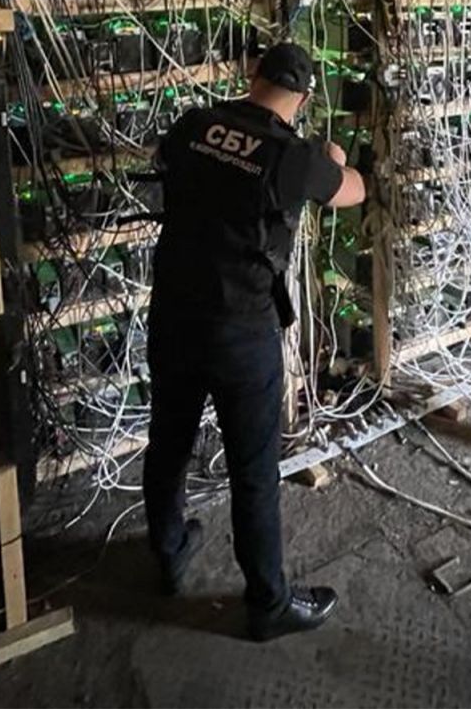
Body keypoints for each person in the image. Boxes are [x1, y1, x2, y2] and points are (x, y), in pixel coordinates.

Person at [141, 41, 366, 641]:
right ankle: (267, 603)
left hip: (174, 314)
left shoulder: (194, 124)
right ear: (304, 99)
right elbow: (354, 190)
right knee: (253, 470)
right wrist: (335, 159)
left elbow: (165, 161)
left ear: (252, 75)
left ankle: (168, 551)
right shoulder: (294, 157)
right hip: (240, 332)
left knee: (168, 441)